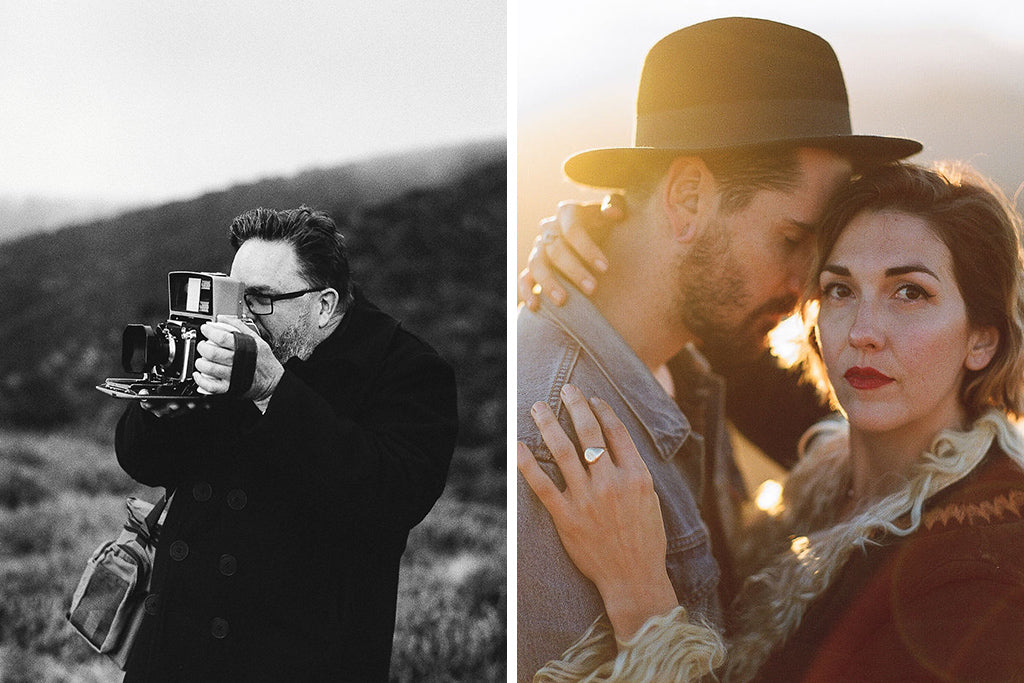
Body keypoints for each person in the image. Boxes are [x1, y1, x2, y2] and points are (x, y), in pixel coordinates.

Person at [516, 16, 921, 679]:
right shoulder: (552, 443)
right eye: (792, 240)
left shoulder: (696, 366)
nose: (806, 289)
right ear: (687, 196)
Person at [519, 161, 1024, 681]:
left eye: (910, 293)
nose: (863, 331)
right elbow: (709, 316)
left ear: (982, 337)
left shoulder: (984, 565)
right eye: (839, 289)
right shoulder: (833, 458)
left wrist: (642, 600)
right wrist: (598, 240)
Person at [115, 206, 459, 681]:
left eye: (260, 299)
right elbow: (141, 462)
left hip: (300, 656)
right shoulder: (224, 341)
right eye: (236, 295)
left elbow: (392, 498)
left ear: (323, 304)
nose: (243, 317)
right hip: (174, 648)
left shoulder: (408, 370)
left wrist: (273, 391)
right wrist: (160, 408)